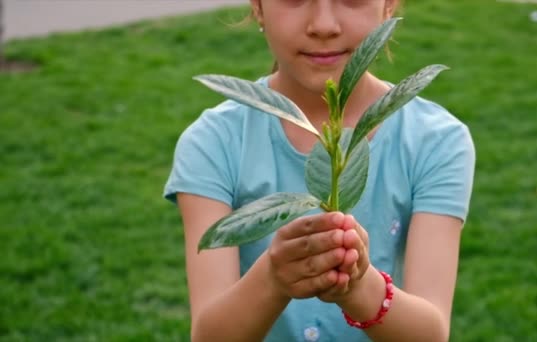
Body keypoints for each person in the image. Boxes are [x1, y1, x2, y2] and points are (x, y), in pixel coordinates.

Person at [163, 0, 475, 341]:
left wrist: (359, 287)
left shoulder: (436, 141)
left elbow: (430, 334)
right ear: (258, 7)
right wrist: (273, 277)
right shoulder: (213, 142)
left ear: (389, 5)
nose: (323, 25)